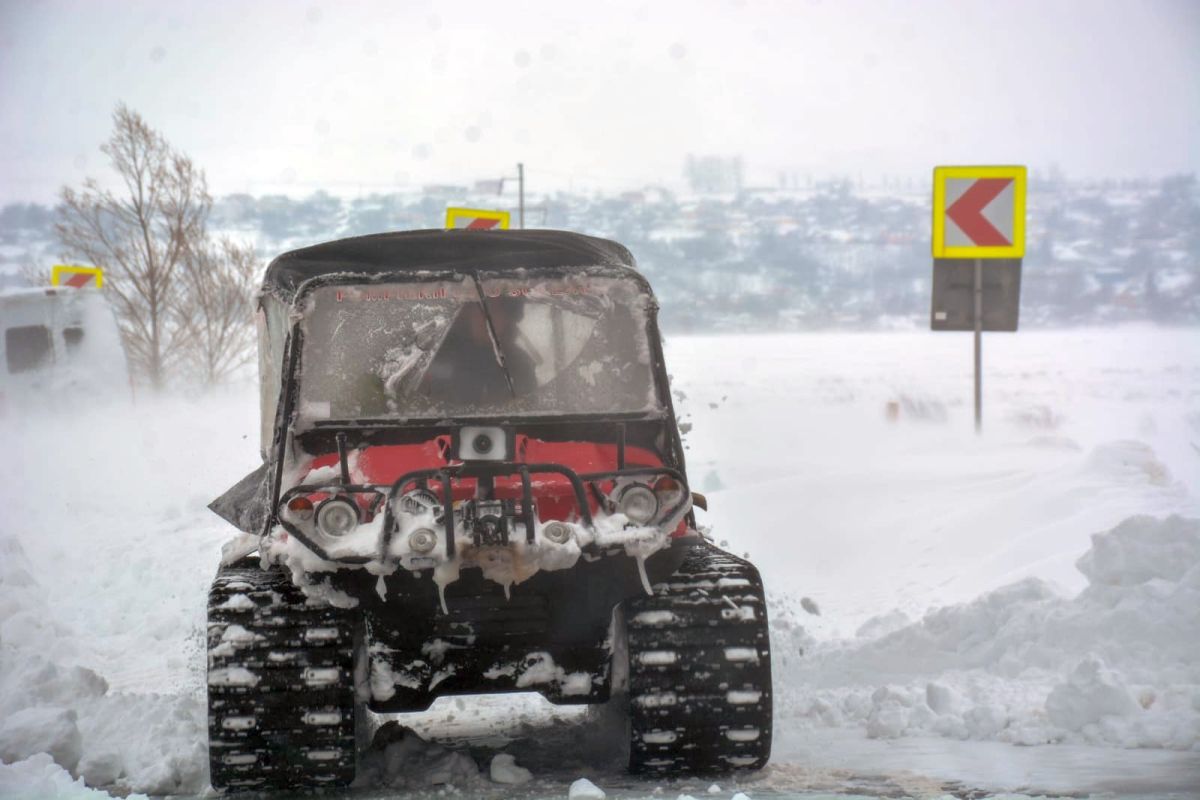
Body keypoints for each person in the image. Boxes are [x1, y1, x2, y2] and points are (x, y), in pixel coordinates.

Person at [421, 295, 537, 406]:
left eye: (494, 311)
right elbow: (418, 405)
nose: (484, 319)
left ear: (507, 319)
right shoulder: (434, 356)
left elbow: (527, 412)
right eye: (479, 310)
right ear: (467, 314)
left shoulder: (519, 364)